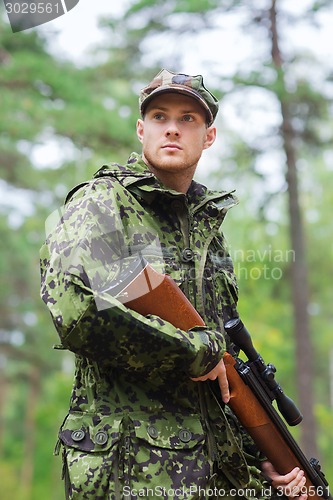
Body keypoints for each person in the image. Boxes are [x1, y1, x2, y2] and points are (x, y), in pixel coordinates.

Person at [40, 69, 308, 500]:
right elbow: (74, 310)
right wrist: (191, 351)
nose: (172, 128)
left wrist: (262, 464)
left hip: (212, 477)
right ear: (141, 129)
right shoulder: (104, 202)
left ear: (209, 137)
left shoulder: (208, 231)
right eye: (161, 116)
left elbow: (223, 369)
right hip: (129, 475)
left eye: (188, 119)